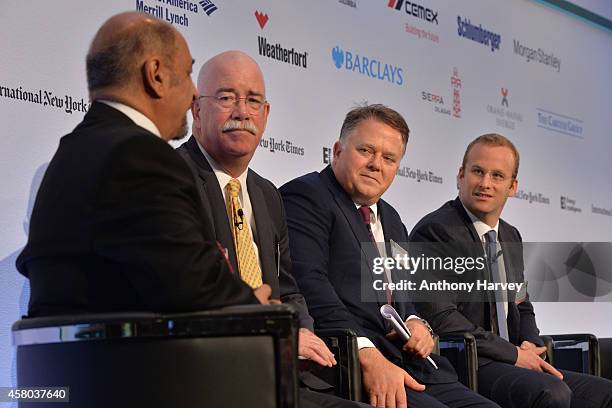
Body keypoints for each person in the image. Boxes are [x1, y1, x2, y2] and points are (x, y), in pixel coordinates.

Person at [16, 12, 269, 317]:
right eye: (188, 73)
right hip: (134, 362)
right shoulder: (139, 156)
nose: (192, 94)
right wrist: (257, 306)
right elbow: (192, 287)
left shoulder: (72, 152)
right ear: (156, 75)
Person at [177, 50, 365, 408]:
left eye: (253, 101)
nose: (241, 112)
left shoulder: (267, 194)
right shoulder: (173, 178)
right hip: (210, 375)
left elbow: (289, 288)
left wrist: (302, 330)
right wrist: (276, 333)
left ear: (265, 115)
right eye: (226, 97)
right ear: (197, 110)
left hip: (280, 374)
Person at [280, 104, 499, 408]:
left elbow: (405, 294)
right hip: (348, 366)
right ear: (337, 150)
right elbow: (311, 287)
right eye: (366, 150)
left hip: (408, 362)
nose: (375, 164)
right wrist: (366, 355)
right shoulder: (307, 196)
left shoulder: (392, 218)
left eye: (388, 158)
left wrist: (417, 323)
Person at [409, 133, 612, 407]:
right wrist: (514, 354)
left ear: (513, 186)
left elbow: (521, 301)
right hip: (469, 362)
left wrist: (530, 342)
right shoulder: (435, 231)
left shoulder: (509, 235)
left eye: (497, 176)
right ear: (460, 176)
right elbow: (443, 319)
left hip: (512, 356)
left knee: (604, 393)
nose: (485, 183)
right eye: (477, 172)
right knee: (551, 393)